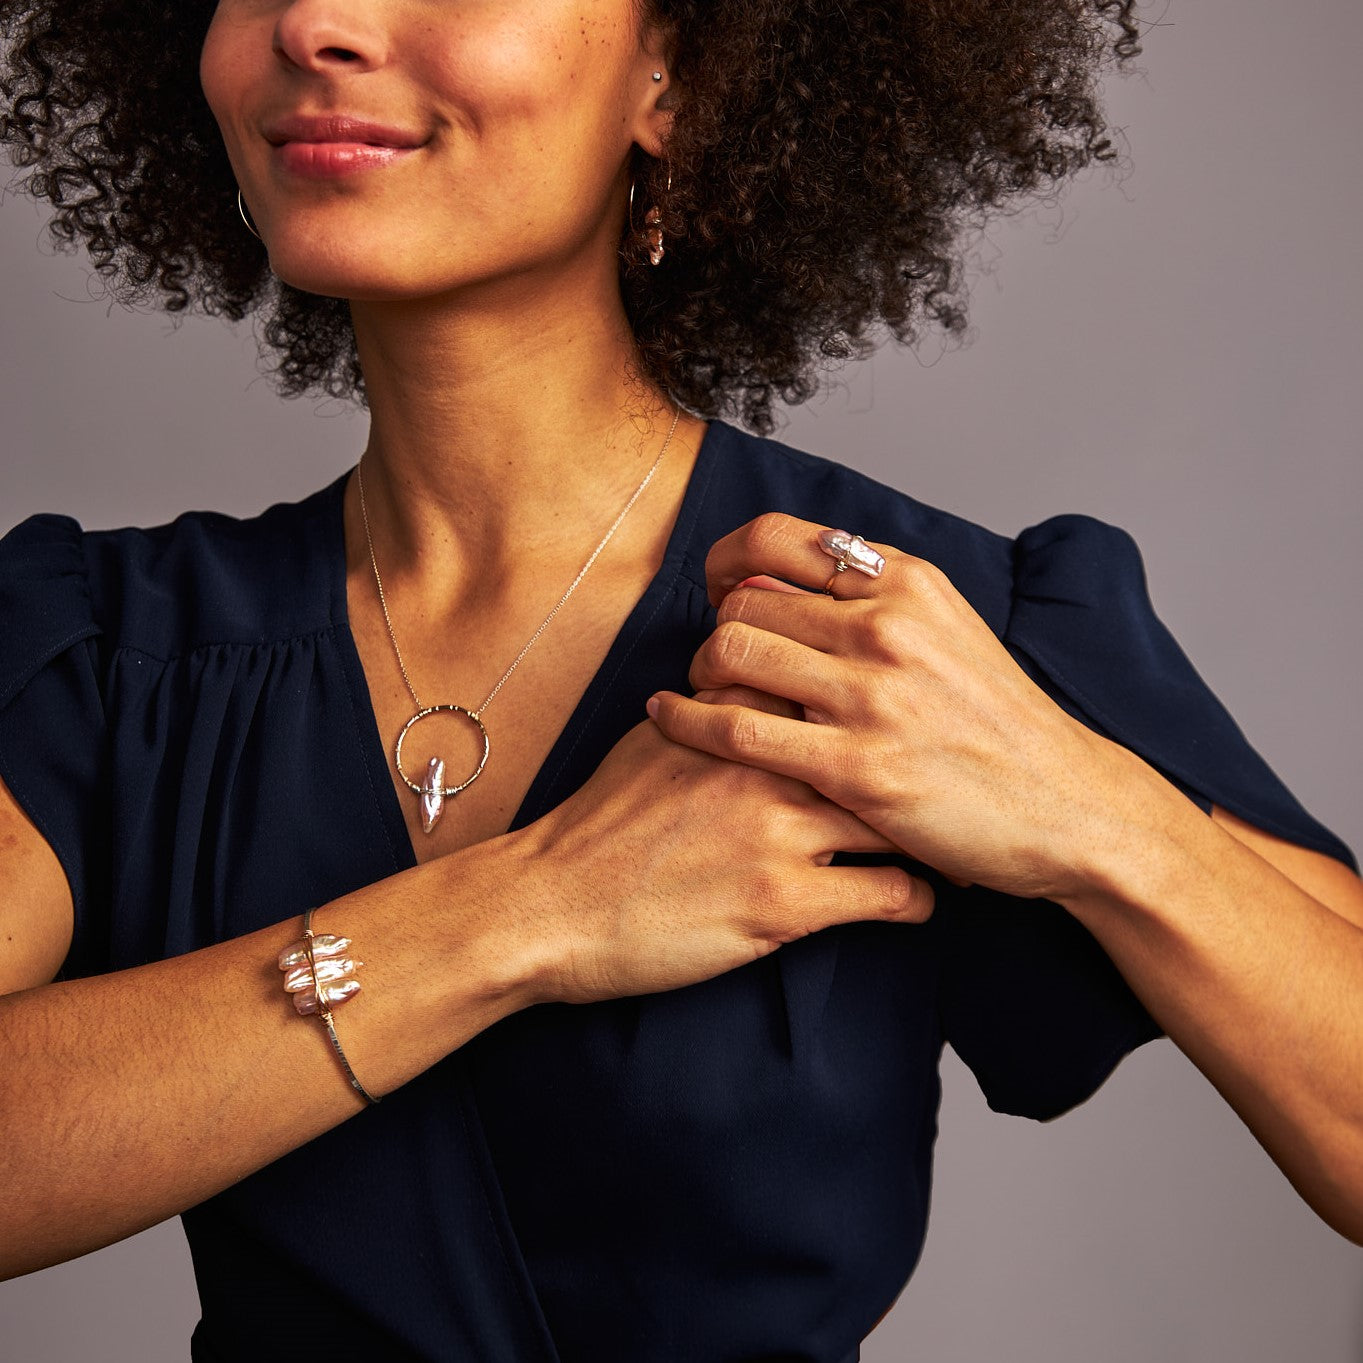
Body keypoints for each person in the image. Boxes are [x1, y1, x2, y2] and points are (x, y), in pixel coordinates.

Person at [0, 1, 1360, 1360]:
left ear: (674, 74)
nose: (319, 20)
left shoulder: (901, 643)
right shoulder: (106, 653)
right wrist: (520, 916)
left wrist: (1089, 813)